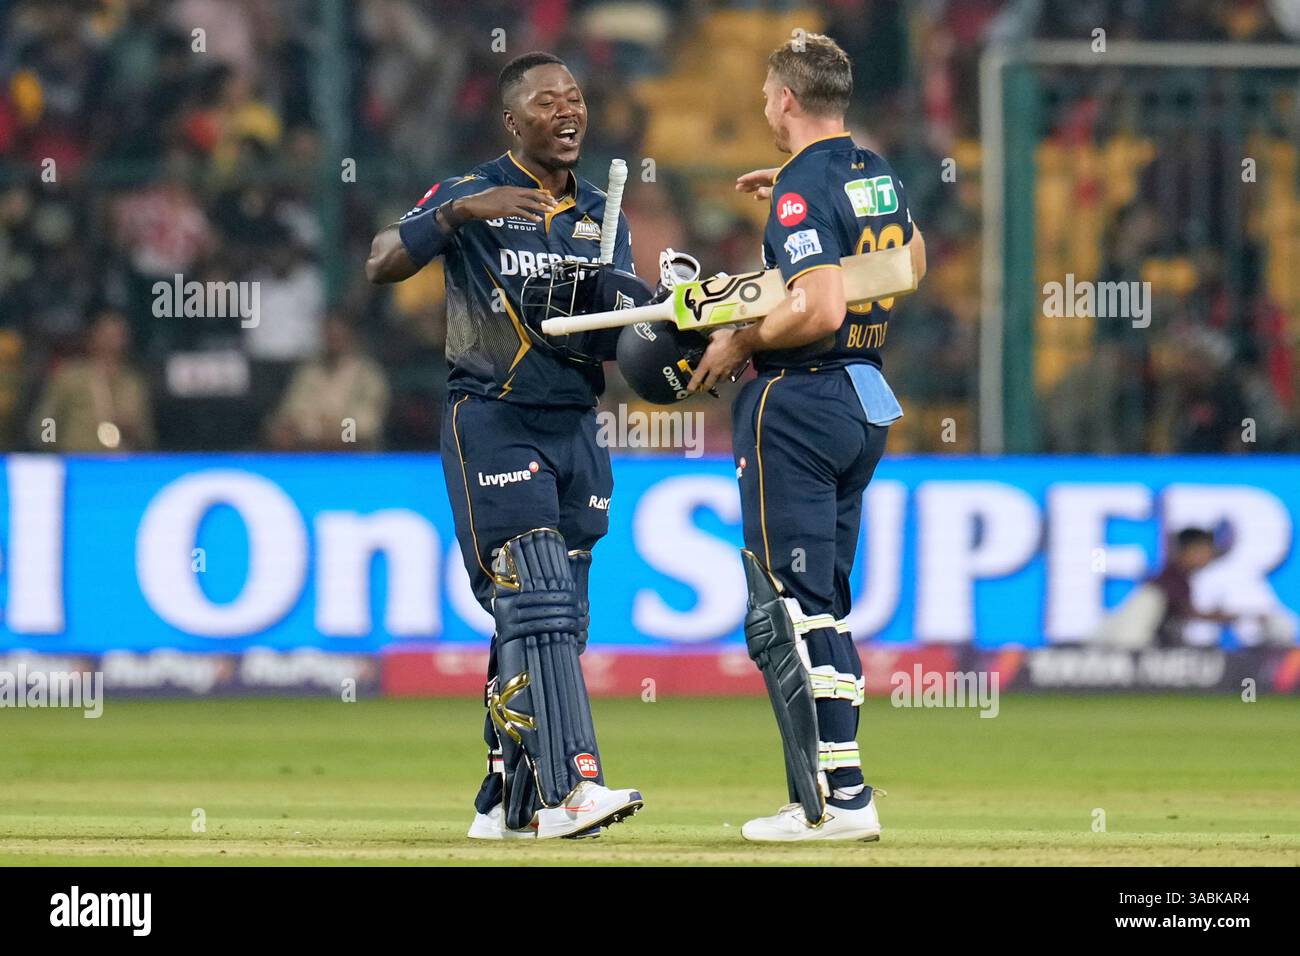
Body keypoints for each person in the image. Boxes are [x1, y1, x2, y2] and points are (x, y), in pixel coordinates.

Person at [366, 51, 644, 840]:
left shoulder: (599, 214)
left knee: (555, 618)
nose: (569, 110)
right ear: (513, 121)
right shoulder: (469, 192)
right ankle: (571, 790)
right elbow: (381, 261)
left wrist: (673, 334)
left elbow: (623, 338)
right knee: (538, 596)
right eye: (548, 100)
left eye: (577, 97)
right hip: (493, 413)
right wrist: (457, 216)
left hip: (575, 425)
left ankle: (506, 798)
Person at [689, 33, 925, 842]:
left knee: (786, 608)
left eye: (765, 94)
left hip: (798, 401)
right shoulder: (873, 172)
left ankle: (831, 803)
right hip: (863, 401)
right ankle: (844, 788)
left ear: (785, 100)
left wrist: (743, 339)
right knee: (824, 603)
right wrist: (807, 228)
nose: (763, 105)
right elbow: (909, 264)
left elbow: (817, 309)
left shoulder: (802, 188)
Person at [30, 308, 155, 452]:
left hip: (120, 464)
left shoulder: (133, 383)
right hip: (77, 460)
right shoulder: (70, 377)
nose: (112, 341)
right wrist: (51, 452)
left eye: (118, 335)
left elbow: (147, 436)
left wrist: (134, 431)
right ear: (93, 337)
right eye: (106, 335)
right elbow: (46, 420)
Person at [266, 313, 390, 450]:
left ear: (351, 336)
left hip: (355, 456)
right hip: (309, 451)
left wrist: (334, 434)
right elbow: (292, 412)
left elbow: (367, 424)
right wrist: (317, 431)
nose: (332, 339)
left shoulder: (369, 376)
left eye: (338, 335)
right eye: (328, 334)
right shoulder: (308, 371)